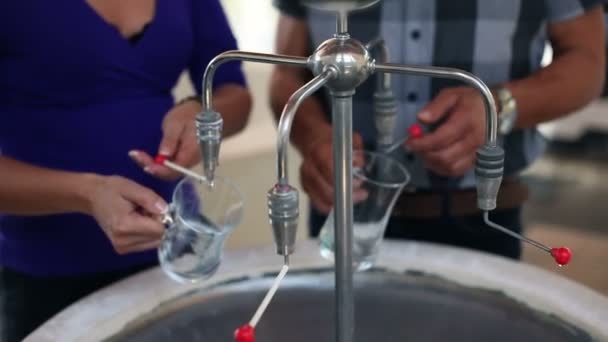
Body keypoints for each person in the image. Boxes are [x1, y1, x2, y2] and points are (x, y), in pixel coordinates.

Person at [270, 1, 605, 259]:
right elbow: (286, 73)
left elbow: (588, 64)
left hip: (479, 221)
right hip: (342, 218)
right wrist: (313, 135)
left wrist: (498, 105)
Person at [0, 0, 251, 340]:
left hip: (180, 252)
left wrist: (205, 115)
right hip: (46, 278)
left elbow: (233, 91)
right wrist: (87, 194)